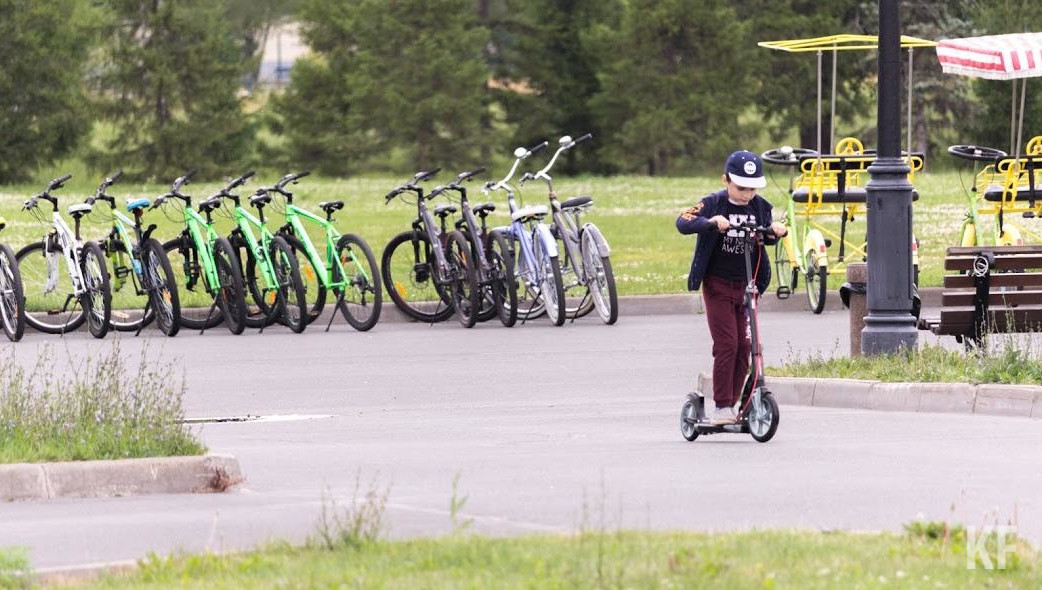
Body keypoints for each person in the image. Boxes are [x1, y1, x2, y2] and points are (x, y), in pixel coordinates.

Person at [675, 150, 787, 425]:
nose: (747, 194)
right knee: (727, 344)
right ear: (725, 180)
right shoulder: (713, 203)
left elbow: (764, 235)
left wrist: (774, 230)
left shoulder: (760, 206)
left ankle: (736, 403)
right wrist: (710, 223)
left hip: (747, 285)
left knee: (746, 346)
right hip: (718, 284)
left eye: (752, 188)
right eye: (741, 188)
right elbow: (683, 221)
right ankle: (722, 405)